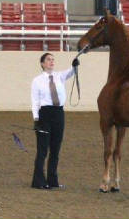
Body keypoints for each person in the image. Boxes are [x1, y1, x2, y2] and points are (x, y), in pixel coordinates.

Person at [31, 53, 80, 189]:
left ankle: (53, 181)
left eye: (53, 60)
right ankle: (38, 182)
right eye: (48, 59)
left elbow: (71, 72)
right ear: (42, 63)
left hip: (58, 113)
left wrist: (75, 64)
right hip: (45, 114)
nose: (51, 62)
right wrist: (36, 118)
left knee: (55, 149)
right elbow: (35, 101)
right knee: (42, 150)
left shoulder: (59, 76)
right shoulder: (37, 80)